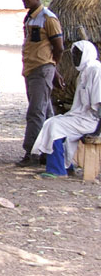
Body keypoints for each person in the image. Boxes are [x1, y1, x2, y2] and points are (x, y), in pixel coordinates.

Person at [31, 40, 101, 178]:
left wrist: (97, 132)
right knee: (52, 122)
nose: (74, 59)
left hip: (93, 121)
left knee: (55, 125)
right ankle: (65, 166)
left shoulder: (95, 70)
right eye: (73, 55)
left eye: (77, 55)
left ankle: (57, 169)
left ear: (86, 54)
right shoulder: (84, 72)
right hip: (82, 117)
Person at [18, 0, 64, 167]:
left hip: (41, 69)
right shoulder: (29, 18)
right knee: (46, 112)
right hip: (31, 70)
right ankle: (50, 151)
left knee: (35, 112)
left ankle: (32, 153)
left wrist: (52, 68)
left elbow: (59, 48)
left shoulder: (48, 18)